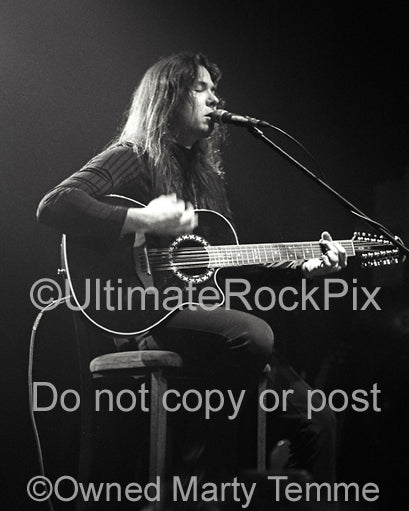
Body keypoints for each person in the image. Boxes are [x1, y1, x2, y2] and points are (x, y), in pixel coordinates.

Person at [37, 52, 346, 500]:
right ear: (167, 98)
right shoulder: (133, 156)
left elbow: (216, 266)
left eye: (213, 89)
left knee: (319, 419)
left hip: (189, 316)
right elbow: (55, 205)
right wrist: (144, 221)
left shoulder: (200, 175)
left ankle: (252, 484)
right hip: (138, 315)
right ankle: (213, 478)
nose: (213, 97)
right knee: (253, 333)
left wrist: (307, 264)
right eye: (199, 88)